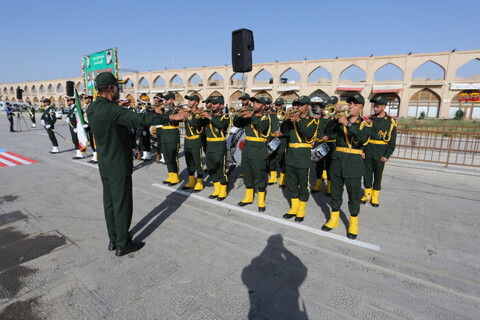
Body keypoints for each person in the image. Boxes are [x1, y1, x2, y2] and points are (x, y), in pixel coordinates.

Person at [86, 72, 187, 257]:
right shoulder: (113, 110)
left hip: (105, 163)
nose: (119, 89)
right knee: (122, 203)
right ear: (110, 88)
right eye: (117, 86)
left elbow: (109, 114)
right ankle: (123, 244)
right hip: (119, 163)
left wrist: (116, 107)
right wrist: (171, 118)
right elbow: (141, 120)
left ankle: (113, 239)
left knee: (109, 203)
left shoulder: (92, 108)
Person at [322, 94, 373, 239]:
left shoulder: (366, 123)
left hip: (353, 163)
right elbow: (327, 132)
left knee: (353, 195)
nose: (351, 106)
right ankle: (334, 219)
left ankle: (353, 223)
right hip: (337, 161)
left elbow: (363, 139)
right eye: (350, 104)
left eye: (355, 104)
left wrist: (347, 124)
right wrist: (335, 119)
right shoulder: (340, 120)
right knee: (336, 194)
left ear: (361, 108)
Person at [282, 96, 319, 222]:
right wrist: (287, 119)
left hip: (303, 155)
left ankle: (301, 209)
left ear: (308, 106)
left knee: (303, 184)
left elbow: (308, 134)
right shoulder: (291, 120)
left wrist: (298, 120)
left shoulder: (313, 121)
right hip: (291, 155)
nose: (298, 107)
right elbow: (284, 131)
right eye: (297, 105)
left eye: (301, 105)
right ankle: (294, 207)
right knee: (291, 183)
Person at [233, 96, 271, 211]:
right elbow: (236, 124)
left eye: (258, 103)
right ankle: (248, 197)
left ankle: (260, 200)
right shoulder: (249, 117)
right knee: (247, 172)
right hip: (248, 148)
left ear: (263, 106)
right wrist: (239, 114)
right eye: (254, 102)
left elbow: (261, 127)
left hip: (259, 149)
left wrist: (251, 116)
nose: (255, 104)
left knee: (259, 175)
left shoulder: (266, 118)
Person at [361, 95, 397, 207]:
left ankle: (375, 196)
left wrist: (387, 155)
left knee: (378, 175)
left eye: (377, 107)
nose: (374, 109)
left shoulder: (391, 121)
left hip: (381, 152)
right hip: (368, 151)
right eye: (374, 106)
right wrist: (362, 150)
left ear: (384, 107)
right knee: (366, 174)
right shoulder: (369, 119)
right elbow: (363, 136)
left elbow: (392, 141)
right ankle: (367, 194)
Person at [191, 96, 230, 200]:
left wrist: (210, 117)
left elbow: (222, 125)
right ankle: (216, 189)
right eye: (212, 103)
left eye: (215, 103)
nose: (212, 105)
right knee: (212, 168)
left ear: (221, 106)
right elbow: (194, 124)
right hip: (209, 146)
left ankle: (223, 190)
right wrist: (196, 115)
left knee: (220, 169)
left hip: (219, 145)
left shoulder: (225, 117)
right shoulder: (207, 117)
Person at [181, 94, 204, 191]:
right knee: (189, 162)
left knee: (197, 162)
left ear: (196, 102)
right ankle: (191, 180)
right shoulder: (187, 112)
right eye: (188, 100)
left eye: (191, 100)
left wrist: (192, 115)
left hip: (195, 140)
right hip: (187, 140)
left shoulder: (200, 113)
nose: (189, 102)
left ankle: (199, 182)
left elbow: (195, 123)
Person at [161, 92, 181, 185]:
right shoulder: (165, 110)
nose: (166, 101)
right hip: (164, 135)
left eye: (167, 99)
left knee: (173, 157)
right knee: (167, 157)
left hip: (172, 135)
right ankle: (170, 175)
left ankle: (176, 176)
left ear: (172, 100)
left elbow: (176, 119)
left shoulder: (176, 110)